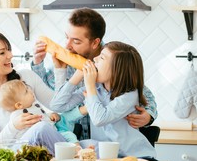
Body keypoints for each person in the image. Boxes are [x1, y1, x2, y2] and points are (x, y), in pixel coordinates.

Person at [31, 8, 158, 139]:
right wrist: (39, 63)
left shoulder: (112, 57)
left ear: (95, 42)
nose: (67, 45)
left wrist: (149, 115)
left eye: (76, 41)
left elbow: (140, 92)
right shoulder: (66, 59)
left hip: (111, 142)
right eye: (66, 37)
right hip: (76, 139)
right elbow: (50, 95)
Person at [0, 31, 66, 156]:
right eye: (2, 53)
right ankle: (72, 155)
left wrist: (60, 70)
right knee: (41, 128)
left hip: (47, 150)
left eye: (9, 50)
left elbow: (57, 104)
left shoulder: (26, 77)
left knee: (92, 144)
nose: (10, 55)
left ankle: (73, 154)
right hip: (19, 158)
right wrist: (14, 126)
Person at [0, 79, 86, 145]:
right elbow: (37, 127)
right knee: (69, 136)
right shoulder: (18, 116)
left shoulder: (34, 105)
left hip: (54, 128)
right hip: (40, 141)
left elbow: (41, 117)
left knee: (66, 119)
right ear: (19, 105)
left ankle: (87, 107)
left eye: (27, 88)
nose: (30, 90)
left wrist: (50, 115)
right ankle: (77, 151)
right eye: (26, 91)